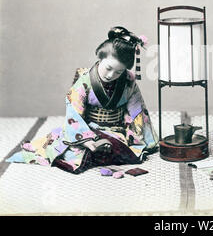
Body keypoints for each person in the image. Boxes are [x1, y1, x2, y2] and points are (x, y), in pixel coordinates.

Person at [7, 26, 158, 174]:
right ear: (101, 58)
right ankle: (92, 147)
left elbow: (137, 110)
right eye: (108, 68)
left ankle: (101, 148)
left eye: (119, 71)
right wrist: (86, 140)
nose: (111, 75)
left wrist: (139, 138)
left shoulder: (128, 80)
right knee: (73, 151)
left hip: (115, 129)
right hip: (88, 128)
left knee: (124, 149)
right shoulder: (85, 80)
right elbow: (74, 113)